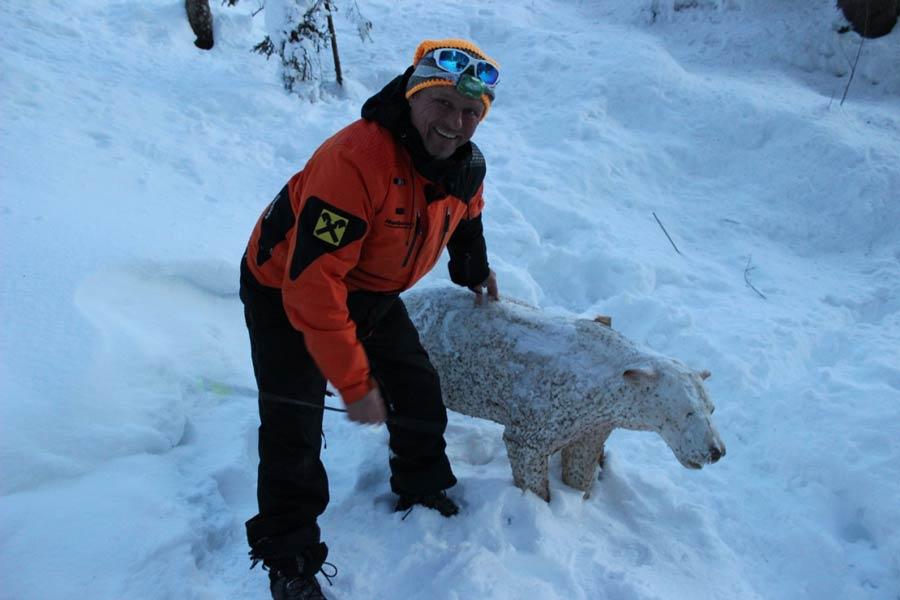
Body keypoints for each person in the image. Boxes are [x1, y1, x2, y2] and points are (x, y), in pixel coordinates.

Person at [239, 38, 501, 600]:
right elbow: (312, 289)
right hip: (284, 287)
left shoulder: (465, 166)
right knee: (294, 421)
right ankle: (289, 559)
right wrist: (354, 384)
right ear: (412, 94)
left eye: (470, 112)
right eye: (443, 103)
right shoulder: (357, 161)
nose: (455, 123)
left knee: (416, 386)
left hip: (370, 287)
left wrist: (473, 269)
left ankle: (421, 484)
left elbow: (467, 214)